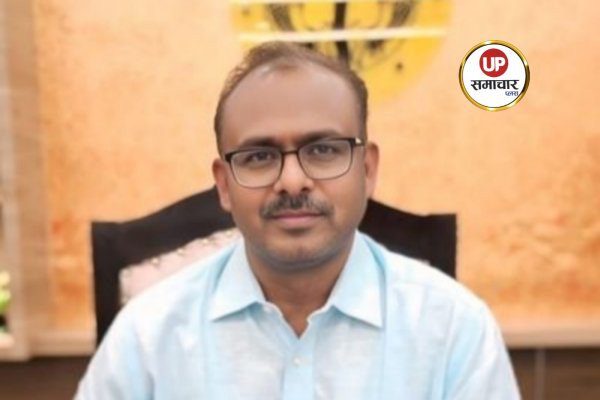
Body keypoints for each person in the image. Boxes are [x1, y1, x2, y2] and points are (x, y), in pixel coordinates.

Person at [76, 42, 520, 399]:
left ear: (367, 170)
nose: (292, 181)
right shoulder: (146, 336)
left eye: (323, 150)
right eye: (259, 156)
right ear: (224, 185)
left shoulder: (453, 328)